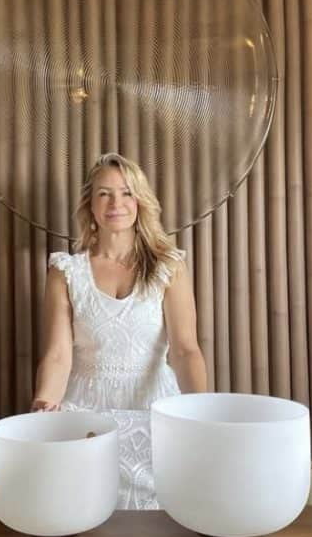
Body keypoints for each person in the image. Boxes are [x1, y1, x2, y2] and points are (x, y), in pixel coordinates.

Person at [31, 153, 208, 509]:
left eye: (126, 193)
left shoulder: (167, 267)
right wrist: (43, 406)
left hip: (153, 408)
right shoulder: (66, 271)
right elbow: (57, 354)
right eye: (104, 194)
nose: (116, 204)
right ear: (90, 205)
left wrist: (201, 411)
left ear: (140, 202)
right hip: (85, 411)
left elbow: (185, 349)